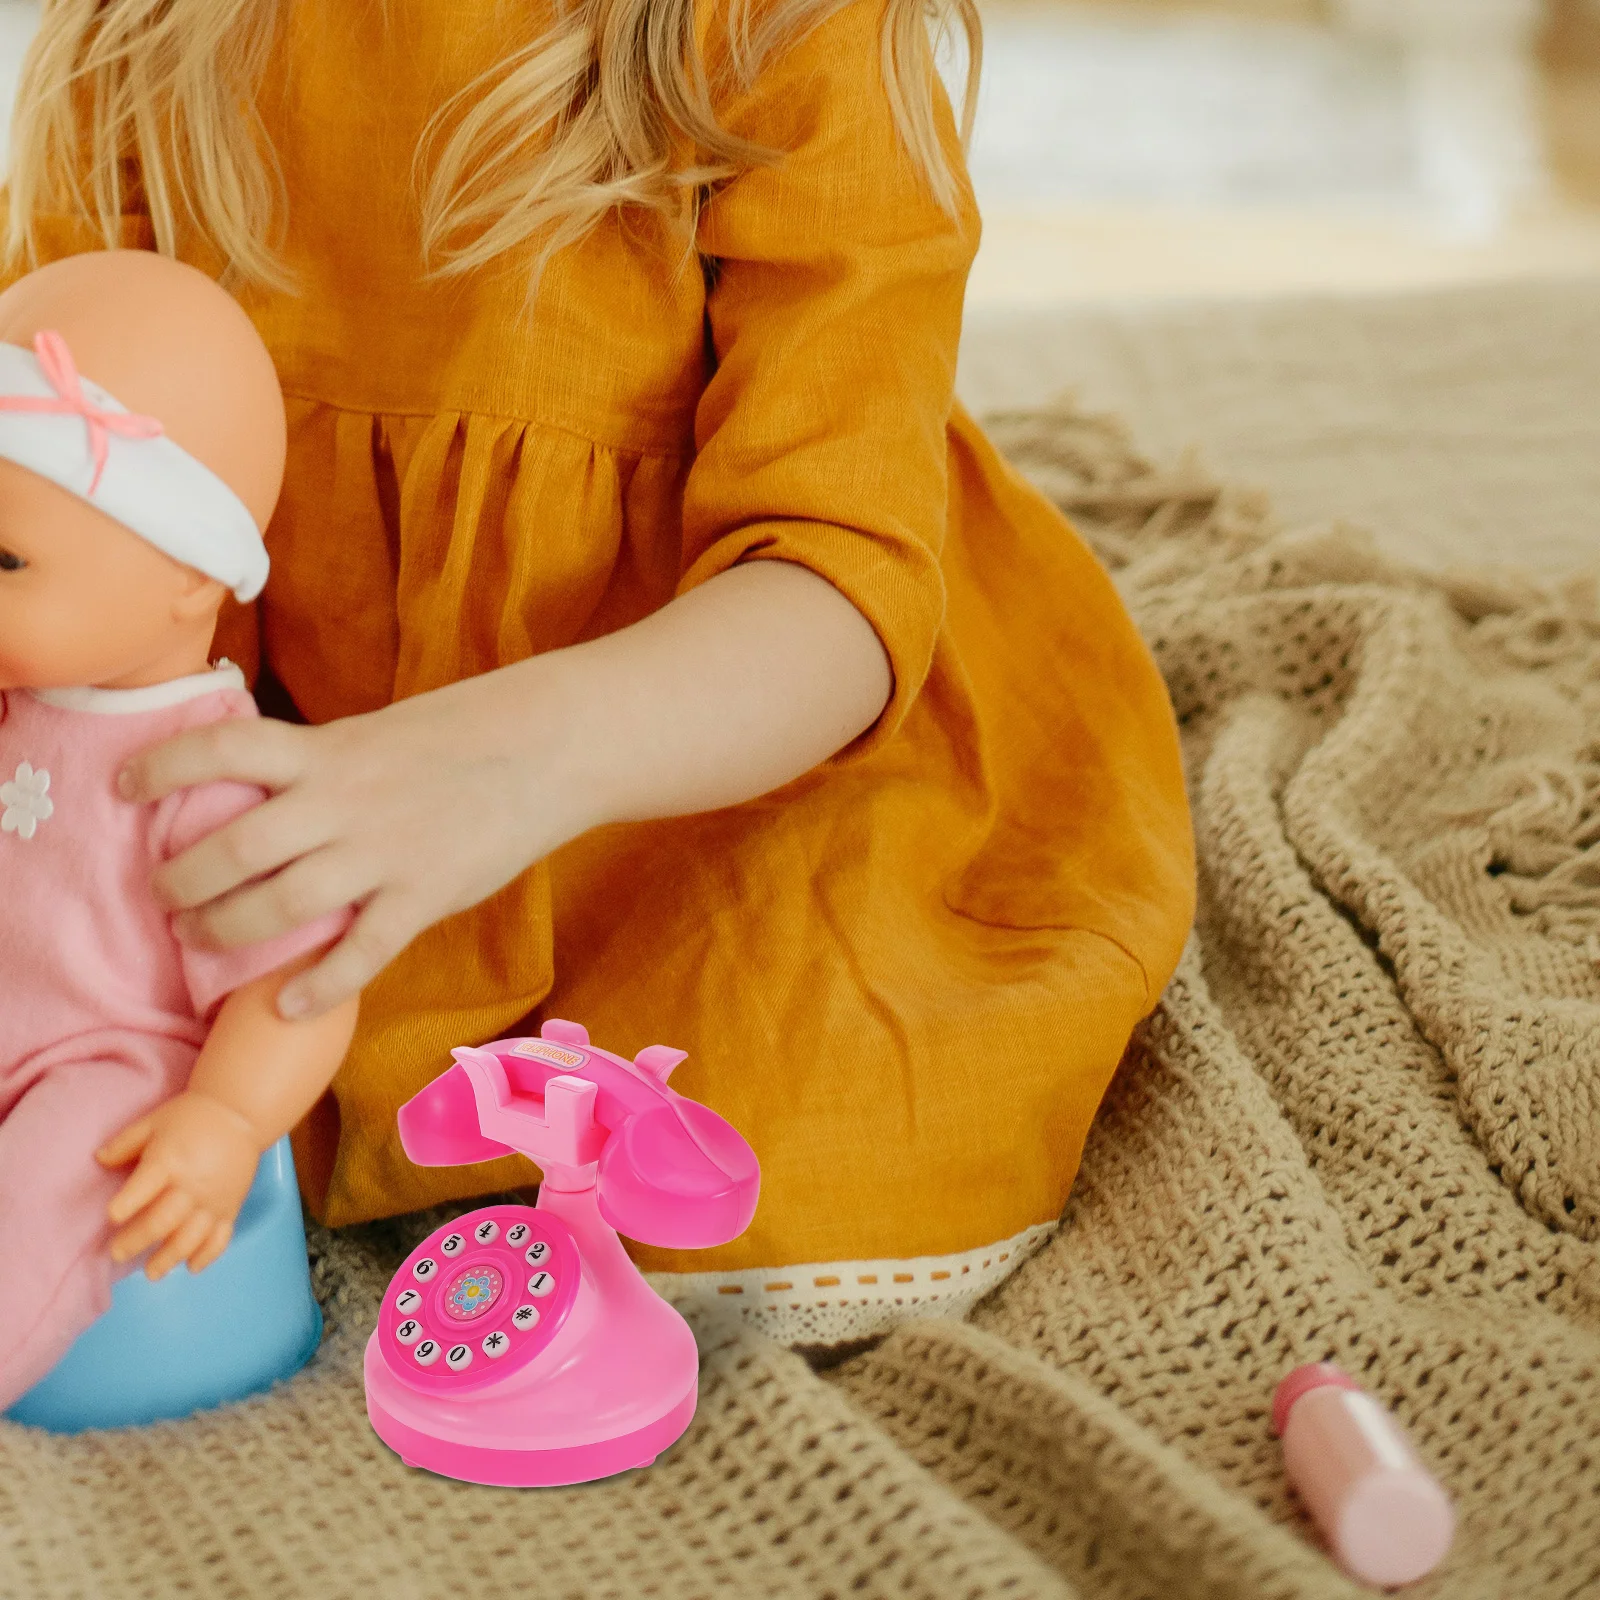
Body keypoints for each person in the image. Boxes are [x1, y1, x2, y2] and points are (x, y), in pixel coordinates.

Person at [2, 0, 1193, 1340]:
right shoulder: (151, 30)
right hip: (303, 742)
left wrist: (503, 768)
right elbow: (59, 511)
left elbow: (836, 585)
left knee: (783, 1148)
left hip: (719, 742)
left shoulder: (781, 27)